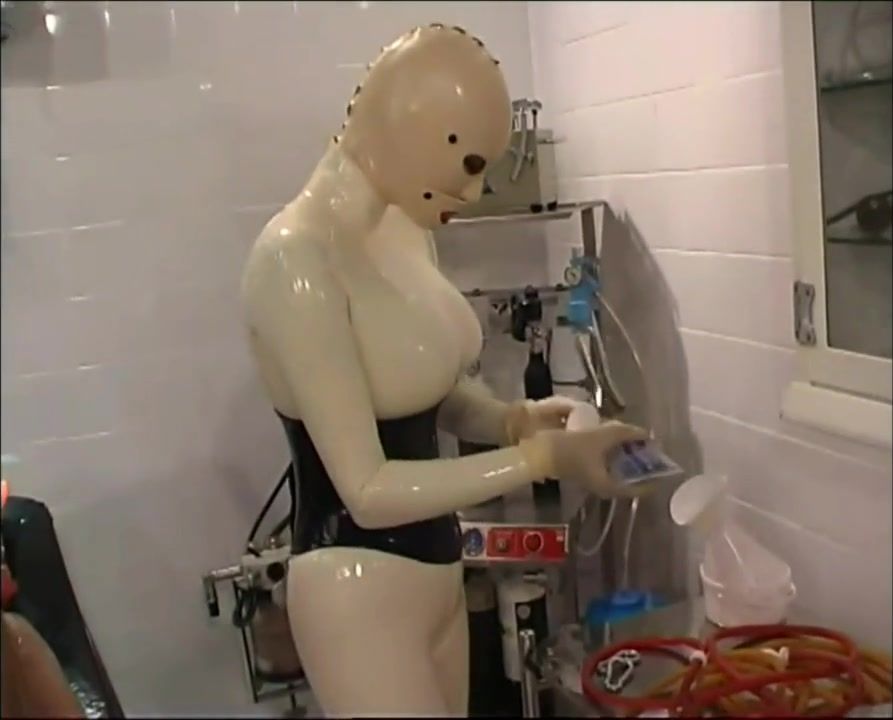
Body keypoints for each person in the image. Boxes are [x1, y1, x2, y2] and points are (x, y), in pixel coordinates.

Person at [240, 24, 647, 716]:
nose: (477, 188)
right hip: (354, 584)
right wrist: (541, 457)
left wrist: (511, 419)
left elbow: (427, 390)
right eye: (469, 163)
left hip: (435, 572)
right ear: (417, 131)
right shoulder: (295, 260)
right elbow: (367, 491)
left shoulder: (403, 229)